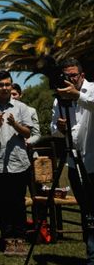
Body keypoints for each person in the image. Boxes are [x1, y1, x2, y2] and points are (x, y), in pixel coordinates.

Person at [0, 70, 33, 256]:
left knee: (18, 203)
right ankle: (8, 240)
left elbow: (27, 133)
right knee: (2, 204)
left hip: (18, 162)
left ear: (12, 86)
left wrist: (14, 124)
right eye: (1, 85)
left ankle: (21, 239)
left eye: (7, 84)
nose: (4, 88)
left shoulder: (21, 108)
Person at [50, 58, 94, 264]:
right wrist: (58, 127)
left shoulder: (91, 90)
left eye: (73, 76)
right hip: (73, 162)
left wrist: (78, 96)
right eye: (66, 76)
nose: (70, 80)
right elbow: (53, 130)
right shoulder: (59, 98)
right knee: (86, 212)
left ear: (82, 76)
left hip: (92, 161)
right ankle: (90, 254)